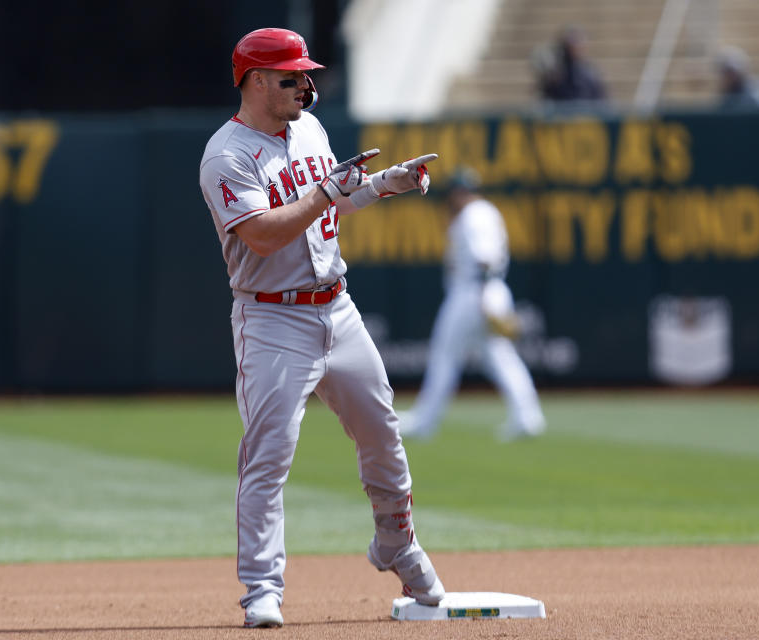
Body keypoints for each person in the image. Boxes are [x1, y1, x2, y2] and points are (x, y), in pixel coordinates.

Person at [198, 27, 444, 628]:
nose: (306, 85)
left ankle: (398, 544)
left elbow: (333, 199)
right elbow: (263, 232)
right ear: (256, 81)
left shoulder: (309, 128)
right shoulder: (226, 155)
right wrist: (325, 193)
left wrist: (385, 183)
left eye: (307, 74)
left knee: (383, 432)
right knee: (269, 452)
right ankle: (261, 588)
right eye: (291, 76)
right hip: (272, 314)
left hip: (337, 305)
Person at [398, 168, 546, 442]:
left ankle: (425, 421)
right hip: (487, 290)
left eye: (451, 194)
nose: (449, 200)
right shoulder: (485, 211)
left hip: (475, 292)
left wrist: (483, 300)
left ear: (459, 192)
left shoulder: (473, 215)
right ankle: (528, 417)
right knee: (500, 356)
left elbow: (484, 259)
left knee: (445, 355)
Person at [533, 27, 607, 102]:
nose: (576, 48)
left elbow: (599, 97)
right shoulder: (556, 70)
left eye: (579, 44)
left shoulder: (590, 71)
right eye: (573, 44)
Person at [716, 45, 759, 110]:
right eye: (725, 73)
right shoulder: (726, 92)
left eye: (730, 72)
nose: (728, 77)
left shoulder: (755, 88)